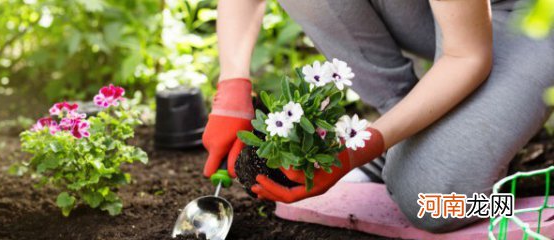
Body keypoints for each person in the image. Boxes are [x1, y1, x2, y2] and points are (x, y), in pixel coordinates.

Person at [202, 0, 554, 233]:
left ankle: (516, 193)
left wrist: (357, 150)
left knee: (433, 202)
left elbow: (467, 56)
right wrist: (231, 88)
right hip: (445, 14)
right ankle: (405, 139)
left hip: (532, 17)